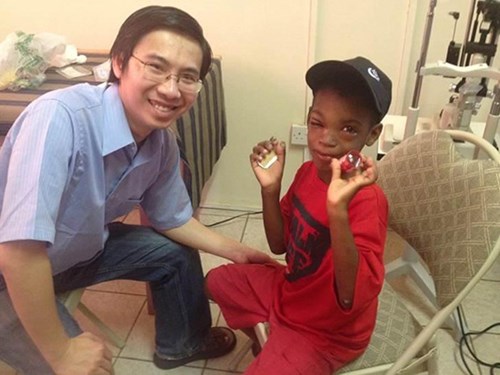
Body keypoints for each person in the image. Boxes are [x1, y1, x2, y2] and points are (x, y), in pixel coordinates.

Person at [0, 6, 272, 375]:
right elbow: (18, 252)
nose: (171, 89)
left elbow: (172, 218)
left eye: (188, 77)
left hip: (75, 253)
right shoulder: (59, 119)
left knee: (174, 251)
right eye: (156, 67)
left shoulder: (161, 144)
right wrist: (62, 352)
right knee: (81, 368)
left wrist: (240, 252)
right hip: (9, 272)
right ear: (118, 62)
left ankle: (183, 343)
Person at [206, 56, 392, 374]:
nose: (327, 139)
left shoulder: (367, 200)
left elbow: (350, 299)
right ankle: (272, 341)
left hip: (326, 333)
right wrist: (269, 189)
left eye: (348, 129)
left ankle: (284, 350)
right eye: (317, 123)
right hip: (292, 293)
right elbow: (279, 246)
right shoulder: (307, 172)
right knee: (218, 281)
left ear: (372, 134)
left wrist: (337, 211)